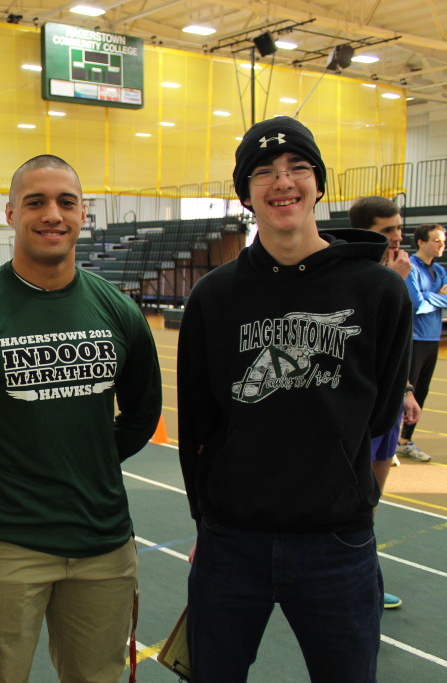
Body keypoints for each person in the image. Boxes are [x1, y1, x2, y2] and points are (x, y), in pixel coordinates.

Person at [177, 117, 412, 683]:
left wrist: (351, 496)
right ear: (246, 193)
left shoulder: (377, 291)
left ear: (318, 183)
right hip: (232, 541)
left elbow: (381, 418)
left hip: (337, 543)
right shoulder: (214, 296)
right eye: (264, 173)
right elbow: (198, 424)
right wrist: (208, 525)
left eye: (297, 168)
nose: (282, 182)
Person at [0, 155, 163, 683]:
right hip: (6, 547)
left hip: (104, 548)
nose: (52, 214)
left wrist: (89, 457)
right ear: (10, 213)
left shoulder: (117, 310)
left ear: (84, 215)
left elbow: (144, 412)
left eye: (65, 202)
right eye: (36, 202)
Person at [348, 195, 421, 611]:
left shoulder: (397, 273)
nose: (396, 237)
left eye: (398, 228)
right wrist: (393, 282)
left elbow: (397, 344)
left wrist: (407, 390)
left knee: (372, 500)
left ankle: (367, 581)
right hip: (360, 409)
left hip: (390, 404)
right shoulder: (354, 276)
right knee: (355, 498)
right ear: (365, 232)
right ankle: (353, 582)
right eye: (385, 230)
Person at [398, 222, 447, 462]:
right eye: (437, 240)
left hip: (432, 339)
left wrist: (431, 298)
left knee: (423, 393)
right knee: (406, 392)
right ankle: (389, 437)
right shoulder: (412, 268)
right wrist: (437, 297)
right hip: (414, 339)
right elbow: (416, 305)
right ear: (421, 242)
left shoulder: (440, 272)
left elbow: (430, 301)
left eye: (443, 241)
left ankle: (405, 441)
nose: (442, 245)